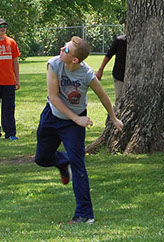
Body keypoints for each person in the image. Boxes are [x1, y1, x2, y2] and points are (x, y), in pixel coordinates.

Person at [34, 36, 123, 225]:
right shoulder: (54, 64)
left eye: (66, 49)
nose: (61, 49)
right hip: (52, 116)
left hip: (73, 124)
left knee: (78, 165)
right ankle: (63, 162)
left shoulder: (86, 74)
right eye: (64, 46)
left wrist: (114, 118)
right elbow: (54, 97)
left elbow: (103, 95)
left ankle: (84, 214)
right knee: (41, 158)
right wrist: (77, 119)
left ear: (75, 59)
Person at [96, 30, 127, 101]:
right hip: (119, 75)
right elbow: (109, 55)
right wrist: (100, 70)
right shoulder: (120, 41)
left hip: (134, 76)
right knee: (119, 99)